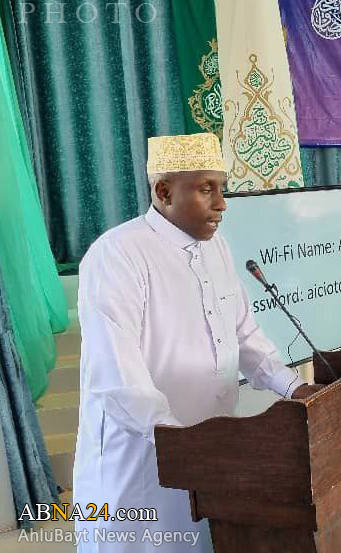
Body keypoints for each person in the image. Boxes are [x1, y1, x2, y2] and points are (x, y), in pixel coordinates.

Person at [73, 133, 320, 552]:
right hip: (144, 461)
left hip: (210, 457)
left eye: (222, 188)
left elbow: (244, 335)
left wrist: (294, 387)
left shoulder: (216, 247)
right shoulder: (116, 255)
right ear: (164, 192)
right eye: (207, 189)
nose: (222, 204)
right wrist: (184, 446)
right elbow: (118, 376)